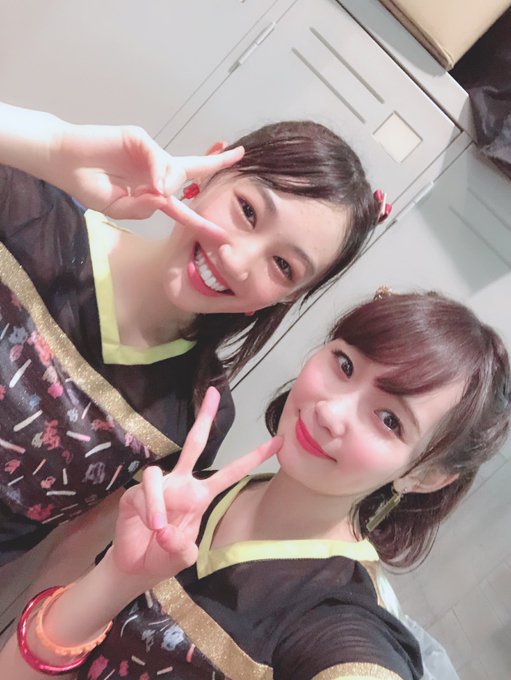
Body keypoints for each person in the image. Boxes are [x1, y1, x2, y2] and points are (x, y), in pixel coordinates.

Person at [3, 290, 509, 679]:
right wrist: (117, 577)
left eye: (389, 419)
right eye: (345, 365)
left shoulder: (337, 621)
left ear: (424, 475)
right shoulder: (198, 493)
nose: (331, 412)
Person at [0, 103, 380, 564]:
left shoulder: (197, 416)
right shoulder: (24, 210)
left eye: (283, 265)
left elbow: (73, 554)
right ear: (210, 168)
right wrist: (56, 146)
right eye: (248, 211)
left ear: (285, 298)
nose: (237, 259)